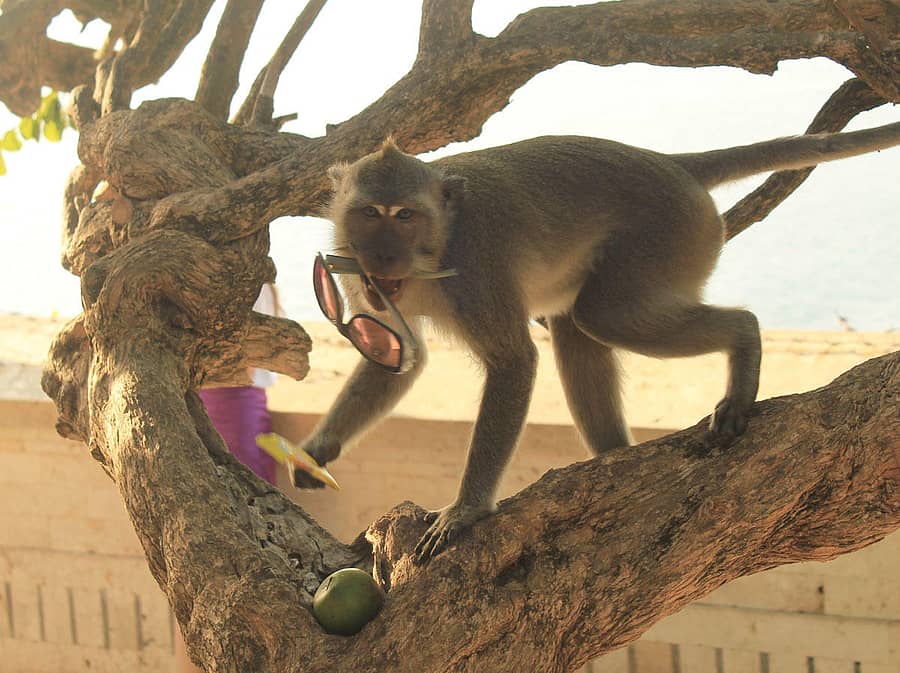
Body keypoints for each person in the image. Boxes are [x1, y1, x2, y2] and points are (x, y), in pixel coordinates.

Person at [175, 283, 281, 672]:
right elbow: (250, 368)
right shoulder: (241, 281)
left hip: (238, 419)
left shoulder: (239, 277)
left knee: (202, 576)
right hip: (232, 420)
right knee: (228, 570)